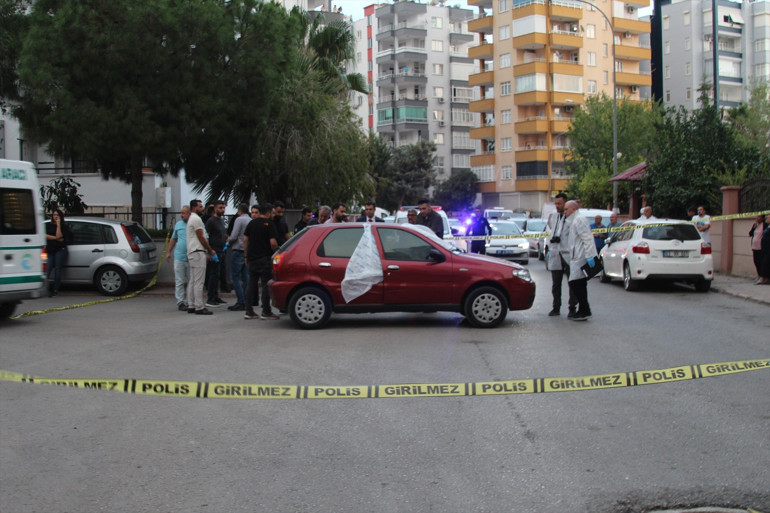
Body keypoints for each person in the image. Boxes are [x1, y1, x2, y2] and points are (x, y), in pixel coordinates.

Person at [560, 200, 599, 321]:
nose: (565, 212)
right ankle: (583, 309)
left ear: (573, 209)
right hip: (577, 256)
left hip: (581, 256)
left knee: (575, 282)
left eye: (566, 209)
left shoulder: (579, 220)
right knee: (579, 283)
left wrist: (590, 255)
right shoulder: (573, 221)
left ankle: (585, 309)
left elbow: (587, 238)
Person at [243, 204, 279, 320]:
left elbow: (245, 240)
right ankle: (266, 311)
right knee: (265, 285)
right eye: (272, 213)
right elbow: (273, 243)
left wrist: (246, 255)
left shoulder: (251, 223)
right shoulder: (269, 225)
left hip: (252, 258)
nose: (273, 215)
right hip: (265, 258)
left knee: (251, 283)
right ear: (268, 212)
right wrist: (276, 251)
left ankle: (249, 310)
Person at [546, 193, 576, 317]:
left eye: (560, 204)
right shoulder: (553, 217)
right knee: (556, 284)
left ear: (565, 203)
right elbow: (551, 229)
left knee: (572, 283)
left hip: (568, 253)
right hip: (555, 253)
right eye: (556, 203)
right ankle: (556, 307)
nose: (557, 206)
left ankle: (572, 308)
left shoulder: (572, 218)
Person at [186, 199, 217, 315]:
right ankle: (199, 306)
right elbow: (201, 237)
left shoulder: (191, 219)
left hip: (192, 252)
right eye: (200, 206)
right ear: (194, 208)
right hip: (198, 251)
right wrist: (209, 250)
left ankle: (191, 304)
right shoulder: (196, 219)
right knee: (199, 281)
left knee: (193, 280)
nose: (202, 208)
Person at [166, 206, 190, 311]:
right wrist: (168, 252)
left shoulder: (194, 223)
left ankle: (190, 301)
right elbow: (173, 238)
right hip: (179, 257)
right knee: (179, 280)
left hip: (190, 257)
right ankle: (180, 301)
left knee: (191, 281)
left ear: (189, 213)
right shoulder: (178, 225)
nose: (181, 215)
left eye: (184, 213)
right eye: (181, 212)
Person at [227, 203, 250, 311]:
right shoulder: (250, 220)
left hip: (238, 250)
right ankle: (246, 299)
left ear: (239, 211)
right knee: (245, 276)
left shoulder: (239, 220)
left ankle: (241, 301)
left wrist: (229, 241)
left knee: (235, 277)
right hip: (246, 251)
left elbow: (234, 235)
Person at [205, 200, 228, 308]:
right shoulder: (211, 221)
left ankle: (216, 296)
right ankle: (211, 298)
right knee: (213, 275)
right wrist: (208, 251)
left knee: (218, 275)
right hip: (214, 251)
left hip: (221, 250)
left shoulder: (221, 220)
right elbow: (206, 237)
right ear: (215, 209)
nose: (222, 210)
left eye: (223, 208)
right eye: (220, 208)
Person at [45, 208, 70, 297]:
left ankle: (55, 289)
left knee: (58, 270)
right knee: (47, 269)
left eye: (57, 215)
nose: (56, 217)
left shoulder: (63, 226)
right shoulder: (48, 225)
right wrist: (55, 238)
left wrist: (58, 225)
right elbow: (45, 236)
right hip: (51, 250)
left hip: (60, 249)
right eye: (54, 215)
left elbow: (60, 235)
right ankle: (44, 288)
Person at [749, 214, 768, 283]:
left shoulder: (765, 225)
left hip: (761, 247)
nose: (757, 218)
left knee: (761, 262)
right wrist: (754, 228)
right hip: (754, 247)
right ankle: (758, 275)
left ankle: (761, 276)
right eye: (757, 217)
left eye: (759, 217)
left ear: (762, 218)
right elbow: (750, 234)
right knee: (756, 261)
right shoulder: (755, 225)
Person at [758, 215, 770, 285]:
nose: (766, 219)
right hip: (764, 248)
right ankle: (766, 278)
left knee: (766, 263)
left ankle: (763, 278)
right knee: (764, 263)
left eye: (768, 218)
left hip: (768, 248)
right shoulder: (767, 226)